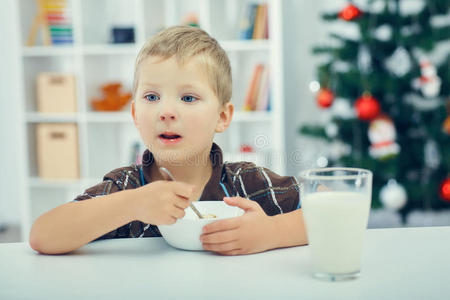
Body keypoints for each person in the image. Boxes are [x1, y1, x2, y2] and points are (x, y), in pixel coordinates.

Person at [29, 26, 308, 255]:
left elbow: (337, 213)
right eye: (152, 97)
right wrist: (131, 205)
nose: (166, 112)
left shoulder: (247, 183)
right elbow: (43, 236)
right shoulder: (126, 188)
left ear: (222, 116)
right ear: (136, 114)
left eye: (188, 98)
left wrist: (272, 233)